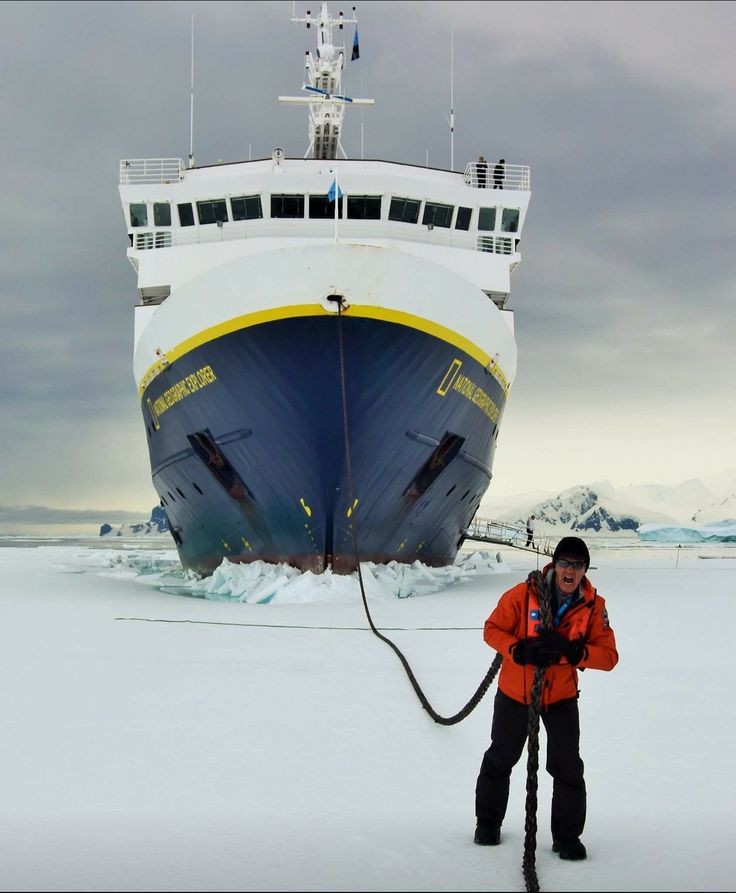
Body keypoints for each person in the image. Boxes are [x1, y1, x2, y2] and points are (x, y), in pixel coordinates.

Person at [473, 536, 618, 861]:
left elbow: (608, 656)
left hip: (562, 698)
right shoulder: (522, 595)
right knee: (501, 757)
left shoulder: (594, 606)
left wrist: (573, 652)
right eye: (565, 563)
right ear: (555, 564)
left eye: (578, 565)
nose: (571, 571)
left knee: (567, 767)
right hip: (515, 694)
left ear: (584, 570)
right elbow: (492, 629)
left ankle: (567, 838)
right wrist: (518, 650)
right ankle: (488, 823)